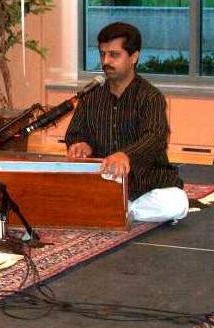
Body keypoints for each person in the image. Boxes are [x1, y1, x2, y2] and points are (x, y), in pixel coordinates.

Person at [65, 22, 188, 223]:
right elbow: (75, 133)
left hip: (145, 183)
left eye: (114, 54)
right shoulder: (91, 95)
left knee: (176, 203)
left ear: (134, 57)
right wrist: (79, 144)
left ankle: (125, 210)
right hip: (104, 181)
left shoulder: (150, 96)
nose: (106, 61)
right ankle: (117, 209)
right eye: (103, 54)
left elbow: (155, 137)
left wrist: (126, 155)